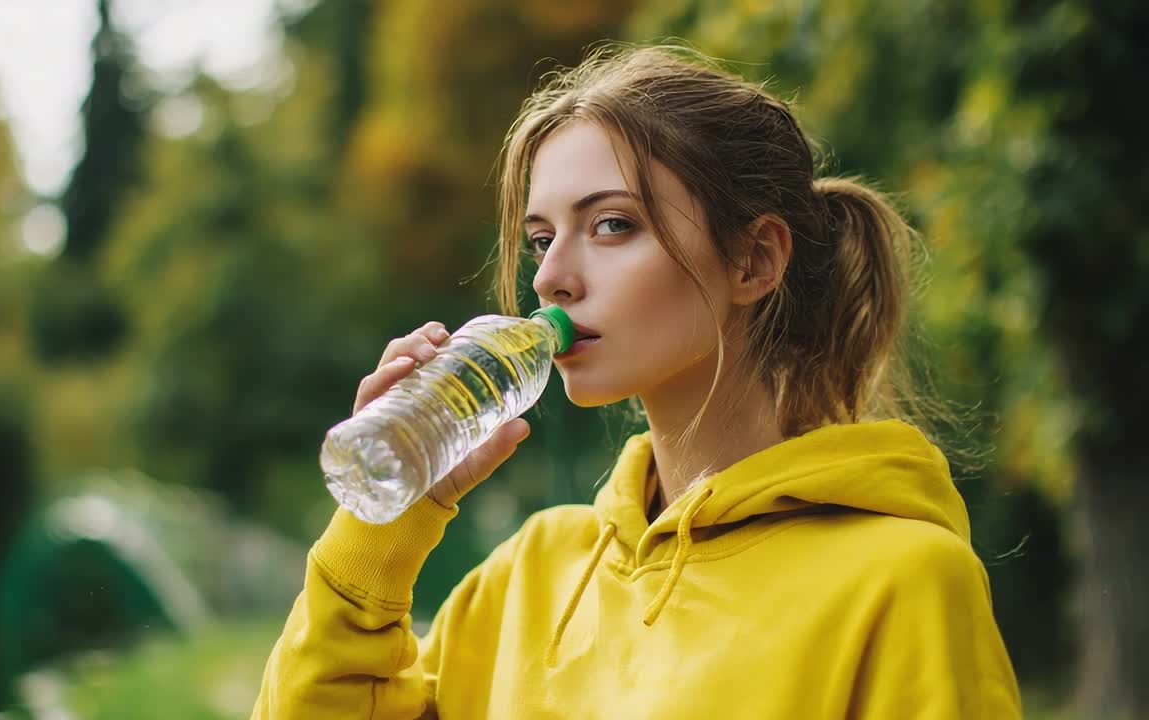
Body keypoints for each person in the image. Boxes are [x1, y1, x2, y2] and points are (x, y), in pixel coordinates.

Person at [251, 43, 1022, 718]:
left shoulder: (902, 582)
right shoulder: (529, 576)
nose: (551, 276)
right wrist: (379, 528)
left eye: (613, 224)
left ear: (754, 261)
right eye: (542, 237)